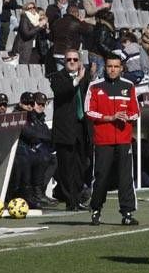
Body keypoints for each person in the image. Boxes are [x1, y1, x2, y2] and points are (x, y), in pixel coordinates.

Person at [85, 53, 140, 226]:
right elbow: (89, 111)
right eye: (109, 66)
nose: (113, 69)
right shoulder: (95, 86)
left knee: (125, 178)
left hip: (124, 139)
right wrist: (110, 117)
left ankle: (127, 213)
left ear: (121, 68)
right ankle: (96, 210)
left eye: (116, 66)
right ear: (105, 67)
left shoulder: (129, 86)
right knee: (101, 177)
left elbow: (136, 111)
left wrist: (127, 116)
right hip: (103, 140)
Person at [50, 49, 92, 211]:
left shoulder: (85, 78)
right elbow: (60, 91)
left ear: (80, 61)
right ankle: (70, 201)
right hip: (65, 129)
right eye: (69, 60)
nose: (72, 62)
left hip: (81, 127)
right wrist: (77, 80)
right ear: (64, 62)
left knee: (81, 165)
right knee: (66, 167)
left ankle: (78, 197)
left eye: (75, 59)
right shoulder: (58, 77)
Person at [11, 91, 57, 208]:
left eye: (32, 104)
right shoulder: (18, 115)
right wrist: (43, 137)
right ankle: (31, 194)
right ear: (21, 103)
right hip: (19, 150)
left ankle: (39, 192)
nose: (30, 106)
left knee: (52, 158)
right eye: (27, 103)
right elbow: (30, 134)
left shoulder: (33, 117)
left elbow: (44, 134)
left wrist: (44, 137)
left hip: (31, 148)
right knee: (38, 158)